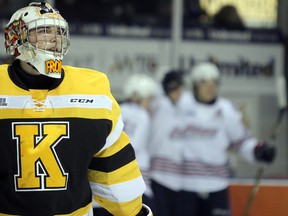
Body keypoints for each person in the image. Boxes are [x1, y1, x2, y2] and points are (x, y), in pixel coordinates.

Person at [0, 2, 152, 215]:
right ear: (16, 37)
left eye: (58, 32)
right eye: (43, 31)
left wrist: (133, 211)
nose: (54, 39)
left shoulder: (92, 90)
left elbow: (113, 164)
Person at [175, 62, 275, 216]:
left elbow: (242, 141)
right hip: (186, 185)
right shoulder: (181, 105)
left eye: (213, 83)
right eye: (204, 83)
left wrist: (258, 150)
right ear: (195, 85)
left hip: (216, 184)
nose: (210, 87)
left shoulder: (227, 110)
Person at [149, 70, 186, 216]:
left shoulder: (178, 108)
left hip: (177, 178)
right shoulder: (160, 106)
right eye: (173, 88)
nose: (178, 91)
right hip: (158, 175)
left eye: (179, 87)